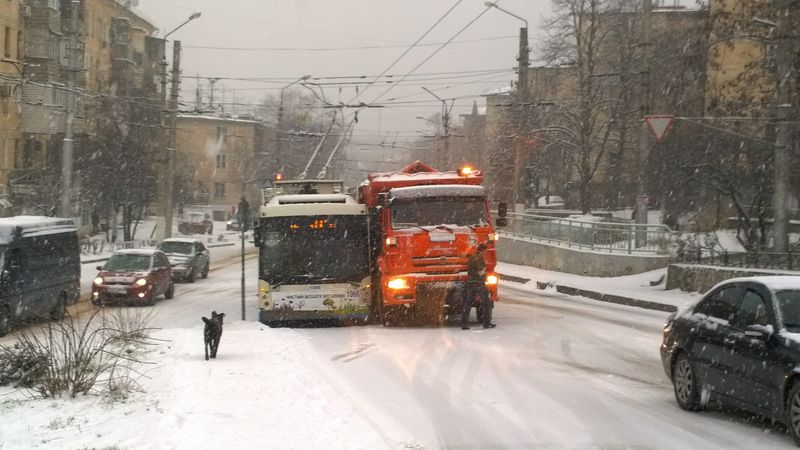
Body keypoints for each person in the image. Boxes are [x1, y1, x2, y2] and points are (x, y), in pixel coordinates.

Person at [461, 243, 496, 330]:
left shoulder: (472, 257)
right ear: (482, 250)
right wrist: (486, 278)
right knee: (486, 302)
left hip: (470, 282)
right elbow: (481, 272)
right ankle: (486, 323)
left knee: (468, 303)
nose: (485, 253)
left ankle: (464, 324)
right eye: (485, 251)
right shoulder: (479, 259)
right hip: (479, 283)